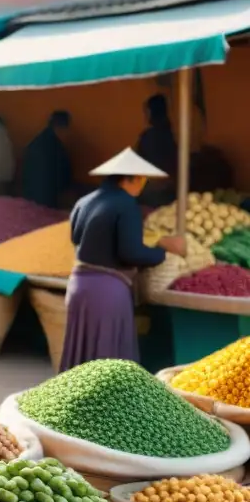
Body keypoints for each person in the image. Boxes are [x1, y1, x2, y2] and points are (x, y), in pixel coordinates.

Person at [61, 148, 187, 373]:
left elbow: (75, 238)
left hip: (79, 286)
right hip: (107, 291)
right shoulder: (127, 205)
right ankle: (105, 406)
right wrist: (161, 252)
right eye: (144, 180)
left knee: (82, 359)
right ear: (135, 179)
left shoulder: (83, 202)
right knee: (108, 362)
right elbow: (131, 253)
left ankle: (79, 405)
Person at [22, 111, 73, 209]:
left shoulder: (38, 141)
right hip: (46, 195)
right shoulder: (54, 146)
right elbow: (59, 172)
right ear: (61, 127)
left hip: (31, 194)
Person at [136, 94, 178, 208]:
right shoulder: (172, 133)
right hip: (172, 187)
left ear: (151, 112)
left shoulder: (149, 137)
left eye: (146, 112)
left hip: (156, 191)